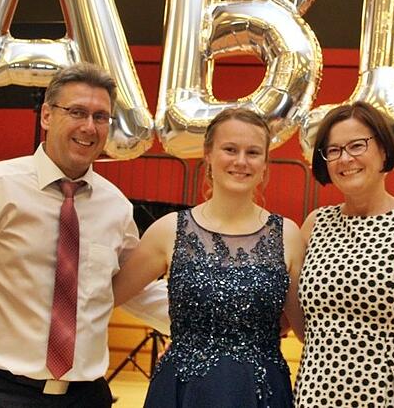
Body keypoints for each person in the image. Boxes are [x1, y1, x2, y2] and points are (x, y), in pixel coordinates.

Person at [0, 63, 170, 408]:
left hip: (86, 396)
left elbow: (133, 287)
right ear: (47, 116)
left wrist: (219, 313)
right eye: (77, 112)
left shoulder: (116, 208)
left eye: (100, 117)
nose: (89, 127)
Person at [113, 107, 306, 408]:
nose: (241, 161)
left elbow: (305, 326)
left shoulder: (289, 236)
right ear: (208, 155)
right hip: (183, 389)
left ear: (265, 163)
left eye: (253, 152)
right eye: (230, 149)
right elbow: (108, 295)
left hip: (261, 392)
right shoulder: (168, 231)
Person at [295, 101, 394, 408]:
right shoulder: (314, 224)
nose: (345, 159)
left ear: (383, 149)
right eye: (333, 150)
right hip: (315, 395)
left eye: (357, 145)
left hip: (392, 395)